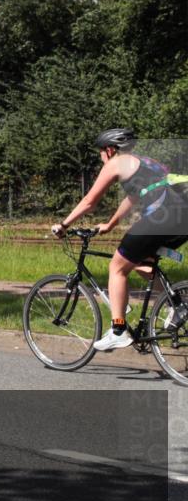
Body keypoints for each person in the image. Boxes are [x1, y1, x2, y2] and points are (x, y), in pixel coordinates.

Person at [52, 129, 188, 351]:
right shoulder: (145, 162)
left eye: (101, 153)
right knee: (142, 262)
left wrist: (64, 225)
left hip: (160, 218)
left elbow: (89, 201)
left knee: (117, 267)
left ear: (109, 149)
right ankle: (177, 305)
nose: (101, 158)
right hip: (183, 217)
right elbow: (133, 197)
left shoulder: (116, 163)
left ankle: (118, 330)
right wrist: (111, 223)